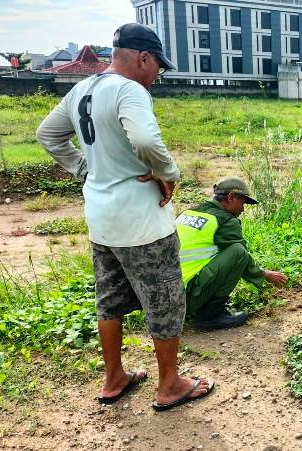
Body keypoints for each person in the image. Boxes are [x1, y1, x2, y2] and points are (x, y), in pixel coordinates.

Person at [36, 23, 214, 412]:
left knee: (110, 298)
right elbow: (147, 141)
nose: (155, 77)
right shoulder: (130, 90)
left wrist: (85, 170)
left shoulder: (82, 89)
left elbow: (48, 134)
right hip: (142, 221)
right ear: (143, 58)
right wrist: (169, 174)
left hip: (101, 219)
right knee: (165, 300)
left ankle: (114, 377)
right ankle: (170, 384)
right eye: (157, 68)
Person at [175, 176, 287, 331]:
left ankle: (197, 309)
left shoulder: (187, 213)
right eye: (242, 203)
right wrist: (263, 274)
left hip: (165, 296)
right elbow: (240, 257)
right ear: (231, 197)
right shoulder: (225, 221)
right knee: (238, 252)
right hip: (185, 298)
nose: (243, 209)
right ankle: (210, 315)